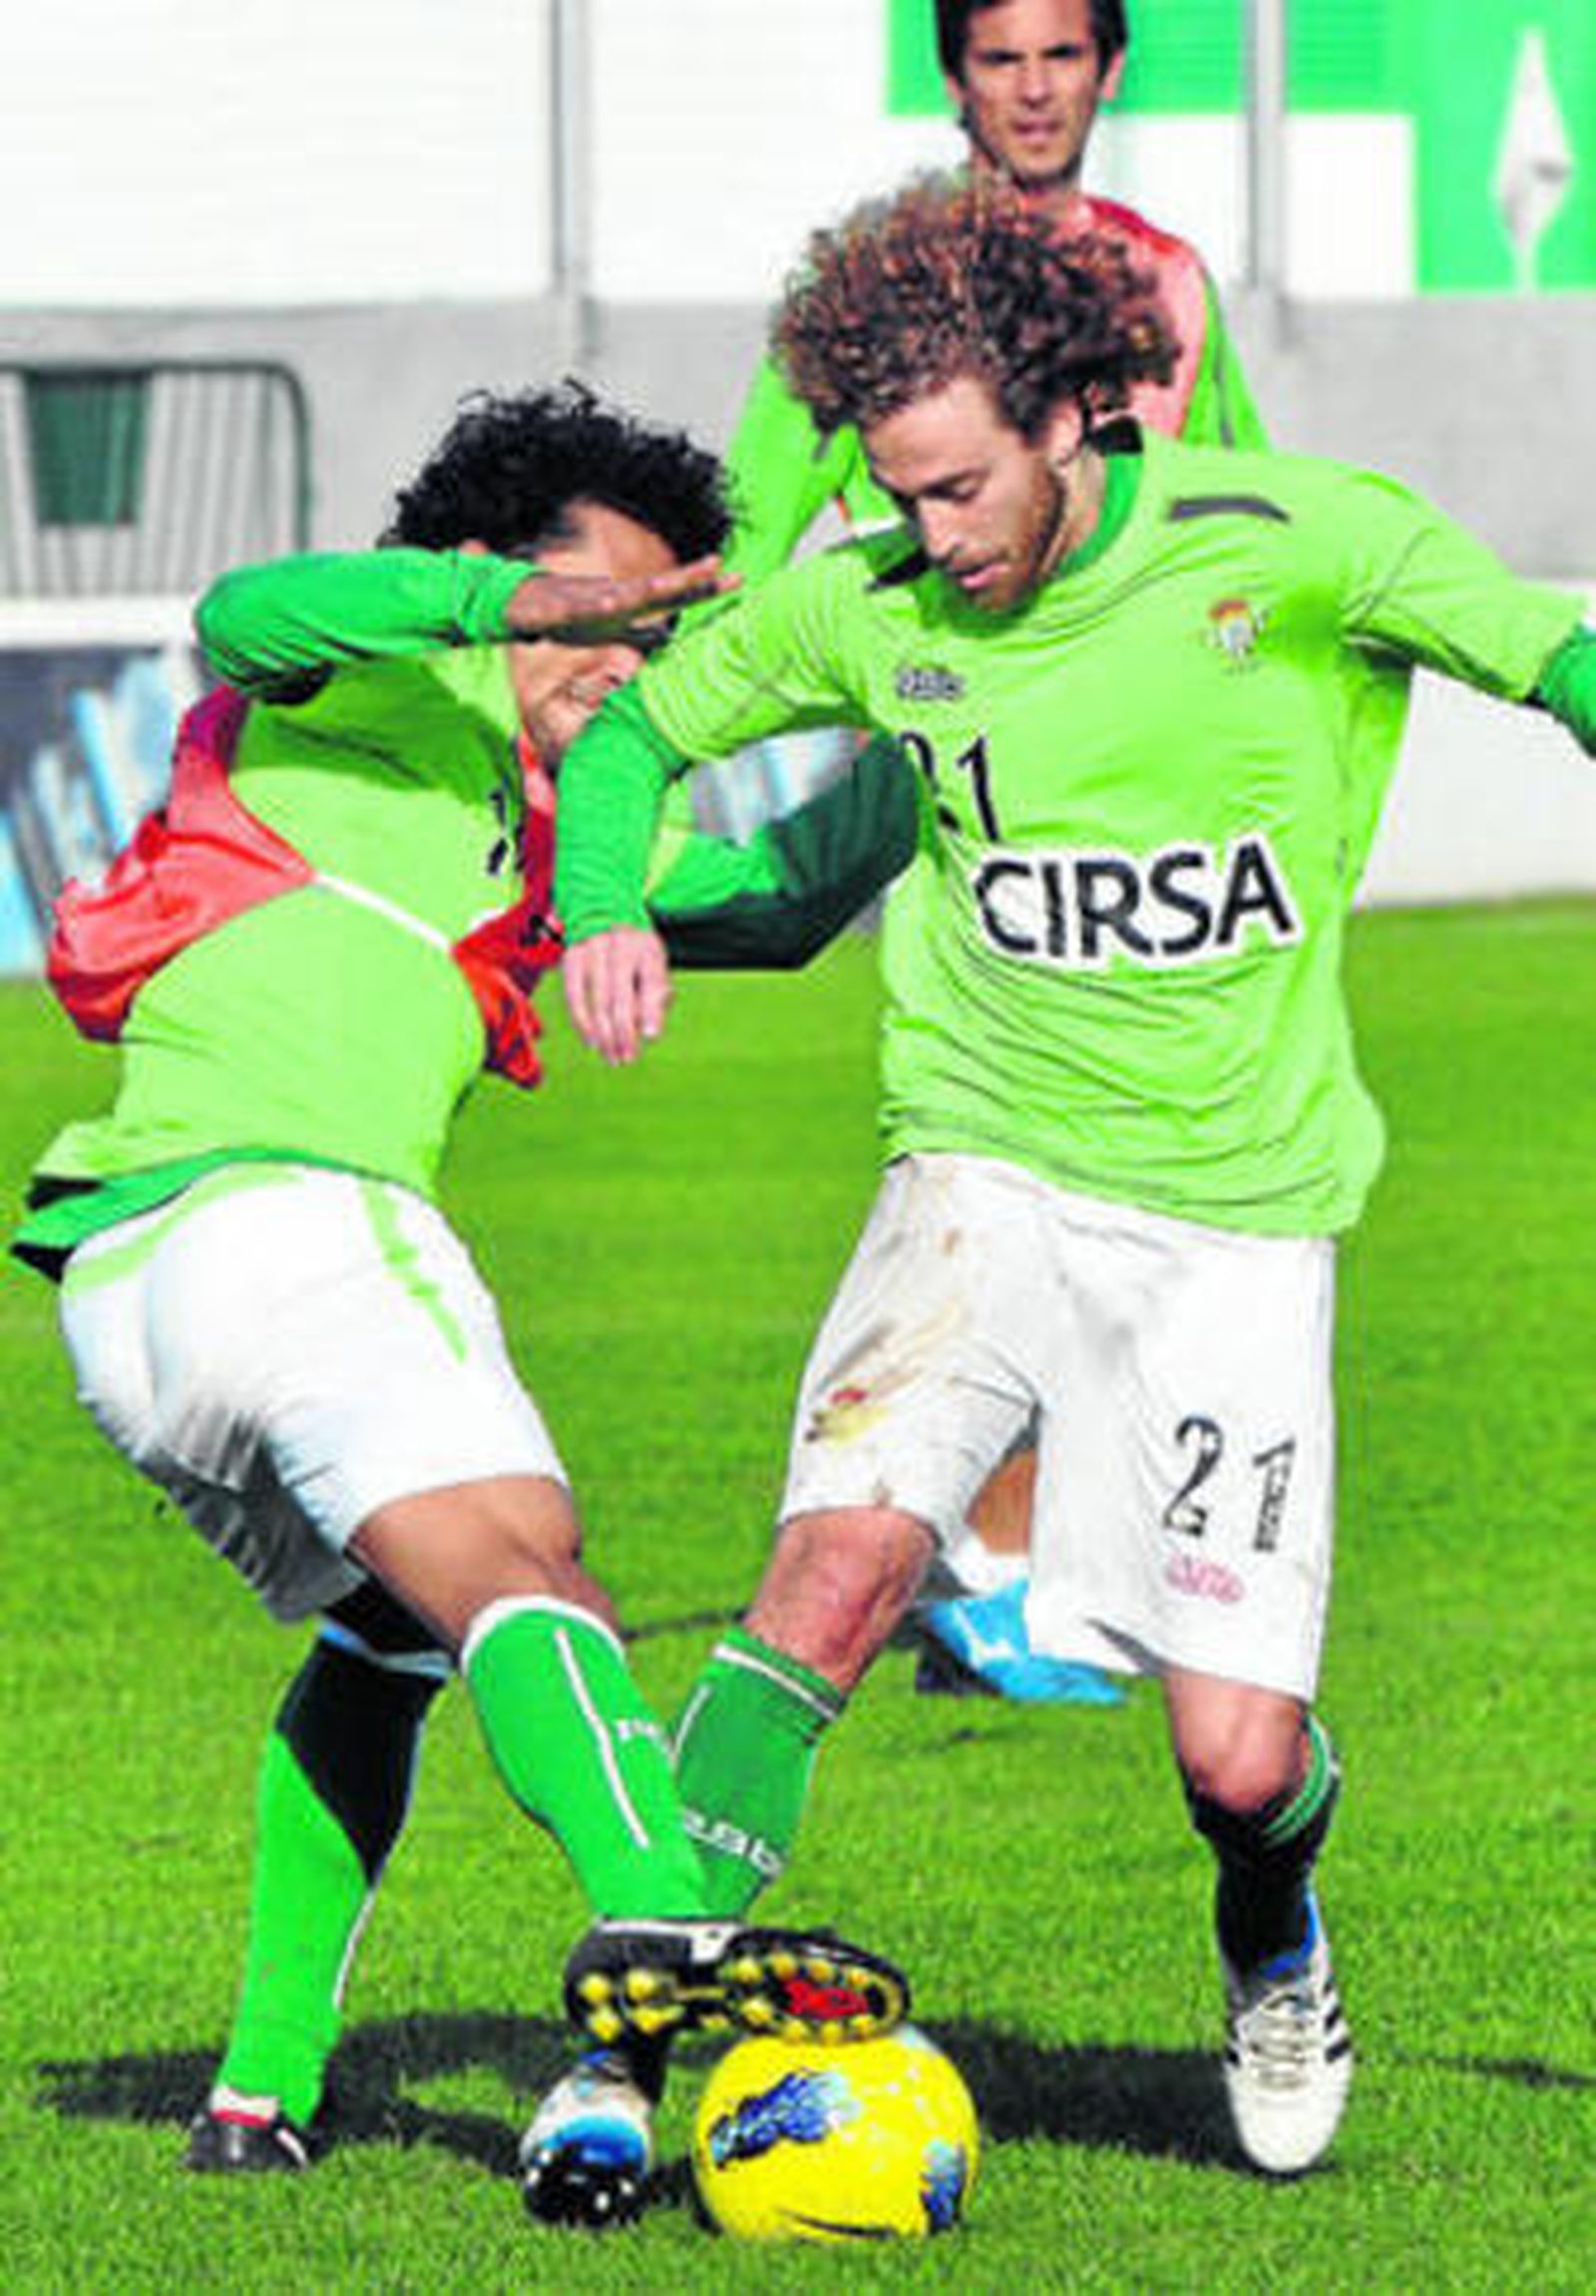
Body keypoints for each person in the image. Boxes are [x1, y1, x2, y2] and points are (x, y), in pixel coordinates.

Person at [553, 181, 1596, 2178]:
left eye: (954, 489)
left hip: (1230, 1218)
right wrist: (605, 904)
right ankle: (621, 2036)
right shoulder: (871, 598)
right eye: (896, 493)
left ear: (1063, 423)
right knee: (831, 1572)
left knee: (1235, 1754)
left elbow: (1545, 651)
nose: (928, 537)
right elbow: (631, 749)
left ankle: (1272, 1930)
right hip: (981, 1170)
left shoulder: (1289, 549)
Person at [12, 383, 913, 2224]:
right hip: (285, 1222)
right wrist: (499, 609)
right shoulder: (378, 684)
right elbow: (245, 609)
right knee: (535, 1568)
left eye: (658, 632)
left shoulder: (567, 820)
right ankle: (661, 1896)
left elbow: (793, 893)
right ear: (495, 577)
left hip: (138, 1300)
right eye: (604, 611)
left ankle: (261, 2087)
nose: (625, 658)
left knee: (390, 1635)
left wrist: (949, 699)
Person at [724, 0, 1267, 1701]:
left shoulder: (1168, 280)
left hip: (1139, 760)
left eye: (1062, 56)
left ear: (1109, 71)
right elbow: (757, 518)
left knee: (1109, 1144)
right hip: (957, 731)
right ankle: (965, 1538)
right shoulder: (885, 288)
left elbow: (1231, 496)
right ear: (956, 77)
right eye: (998, 58)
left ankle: (1006, 1550)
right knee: (1002, 1125)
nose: (1032, 89)